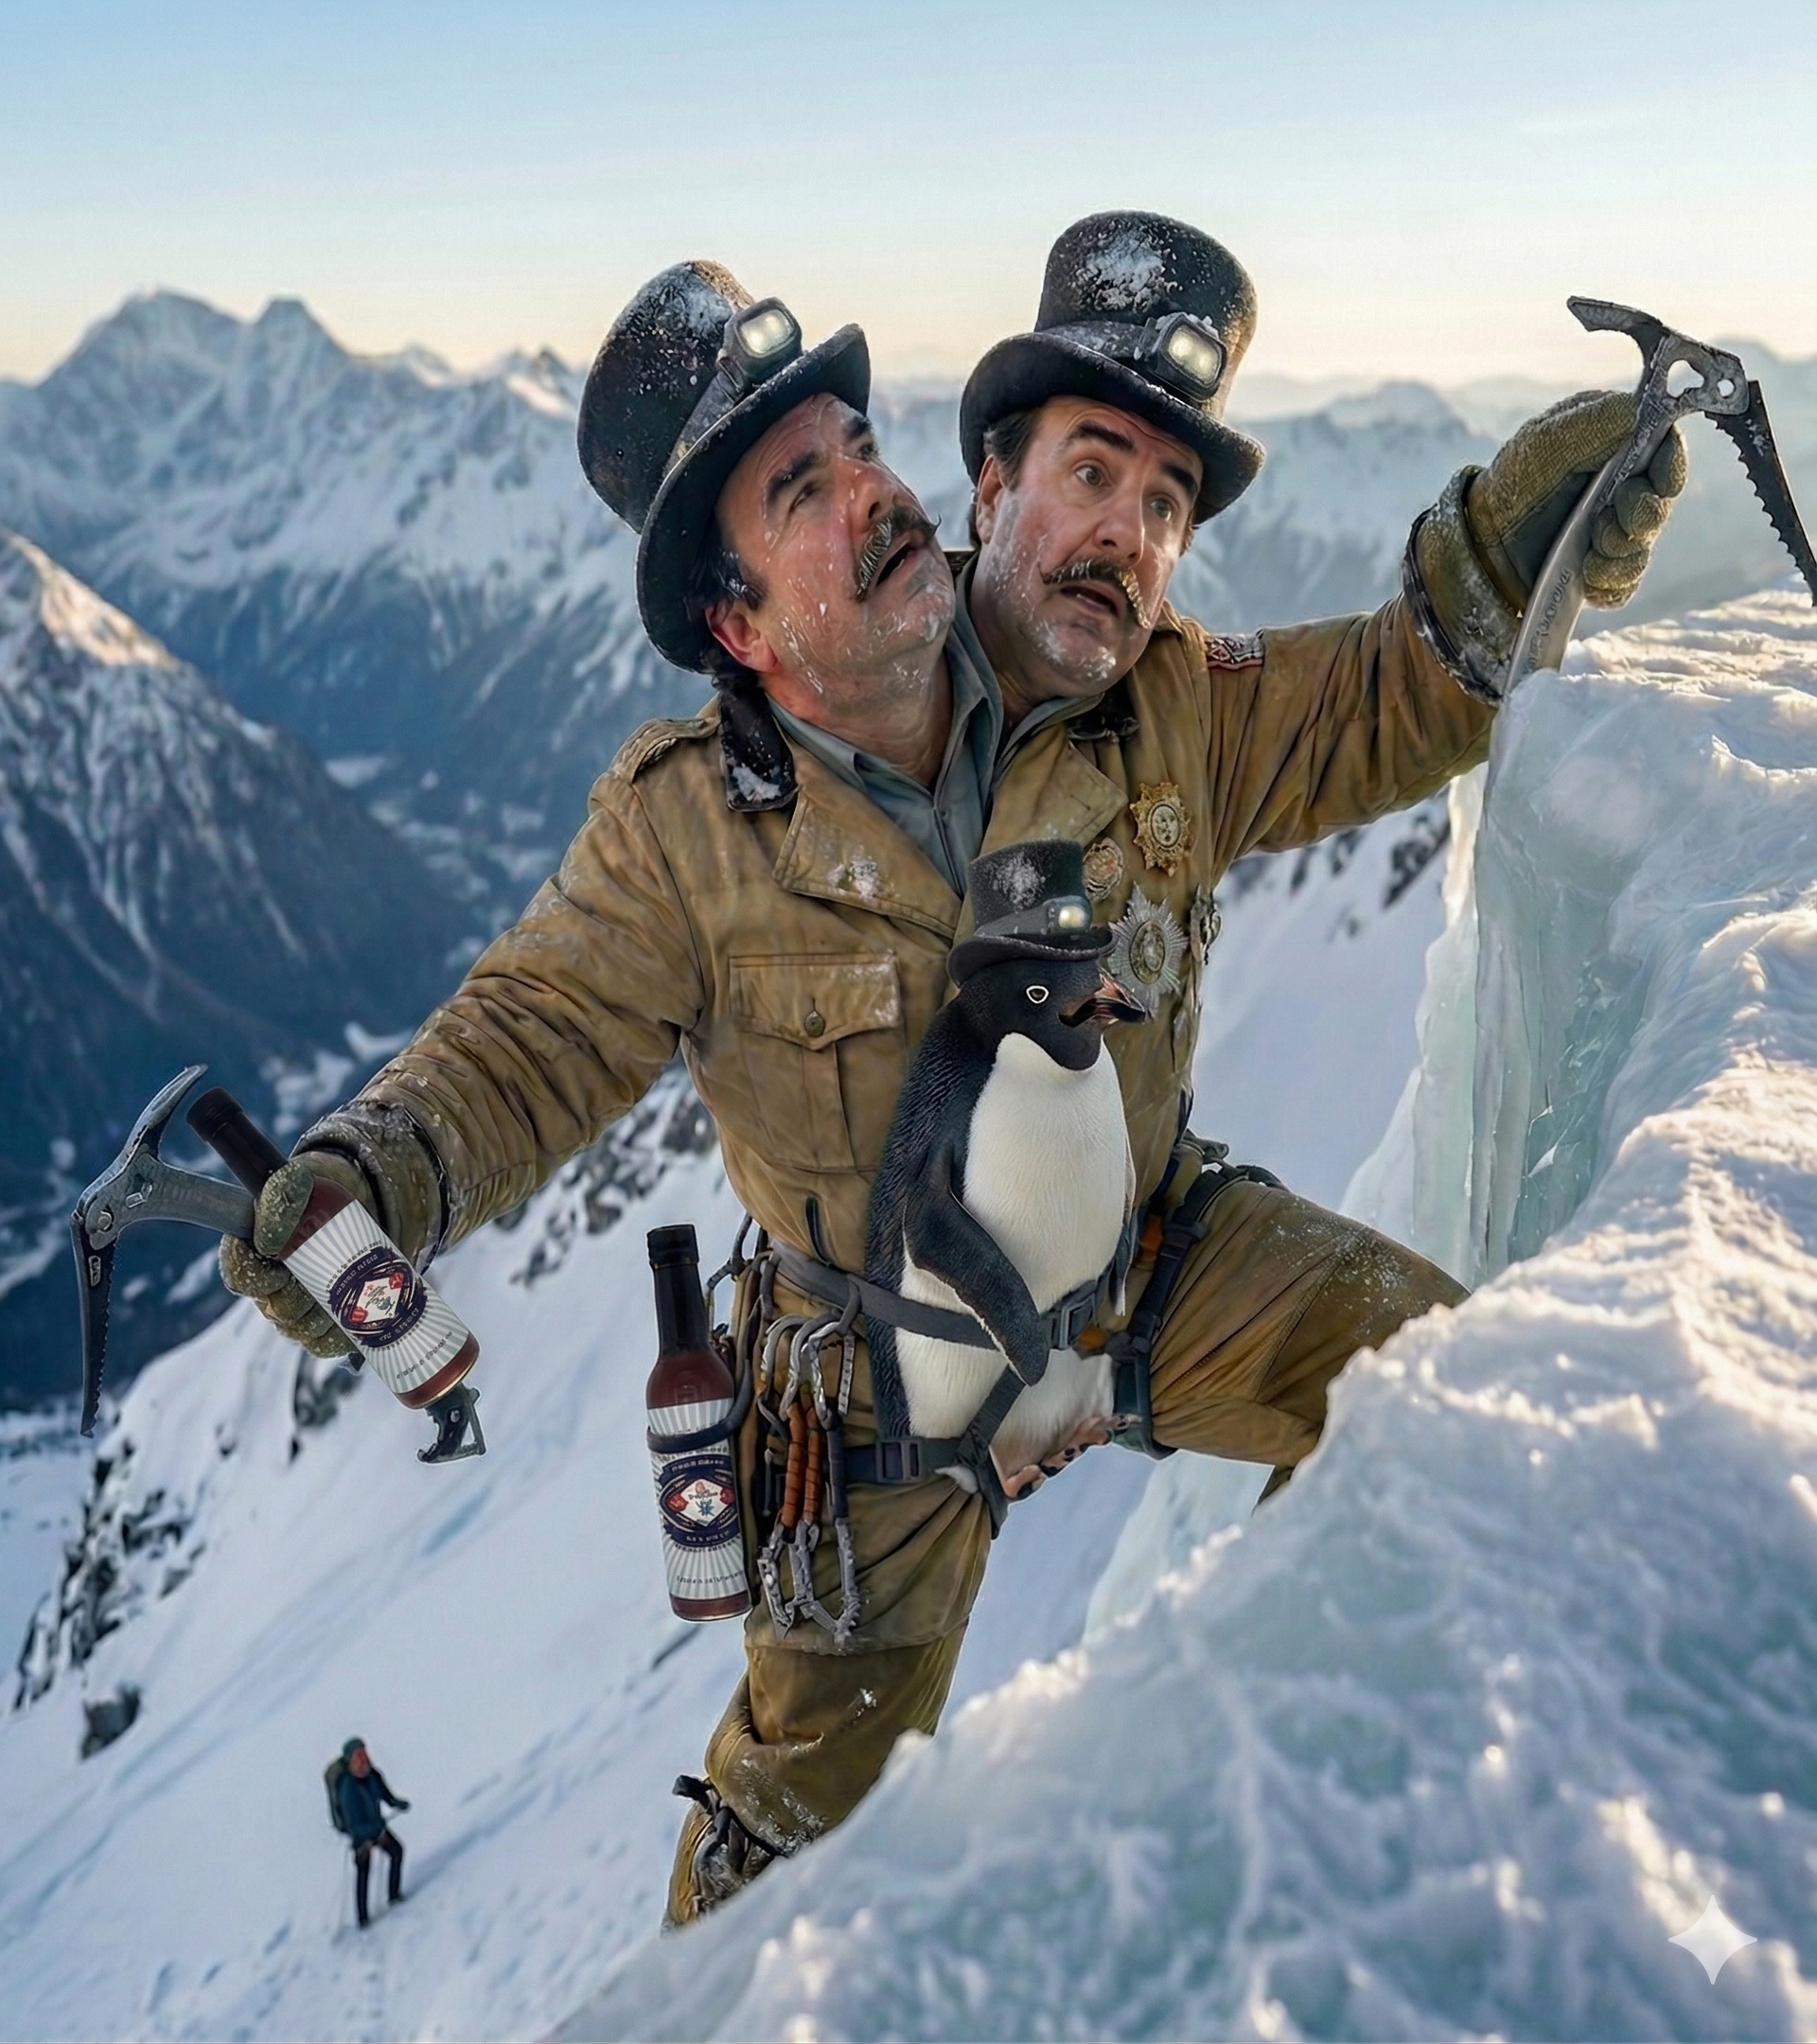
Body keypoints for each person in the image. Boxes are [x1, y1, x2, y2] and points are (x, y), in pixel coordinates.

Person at [221, 221, 1685, 1924]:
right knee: (778, 1890)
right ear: (736, 618)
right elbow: (533, 1035)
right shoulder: (685, 834)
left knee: (1432, 1400)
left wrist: (1517, 548)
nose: (873, 494)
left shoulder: (1163, 711)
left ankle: (1303, 1862)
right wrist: (381, 1174)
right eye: (803, 494)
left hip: (1145, 1268)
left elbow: (1386, 695)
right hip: (870, 1404)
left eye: (859, 450)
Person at [335, 1737, 409, 1929]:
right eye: (358, 1755)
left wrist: (397, 1804)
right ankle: (363, 1918)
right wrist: (373, 1833)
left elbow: (385, 1795)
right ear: (349, 1760)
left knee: (397, 1852)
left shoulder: (373, 1775)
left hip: (378, 1829)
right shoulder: (347, 1788)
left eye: (364, 1753)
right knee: (364, 1872)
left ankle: (394, 1895)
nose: (363, 1758)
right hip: (362, 1838)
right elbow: (353, 1826)